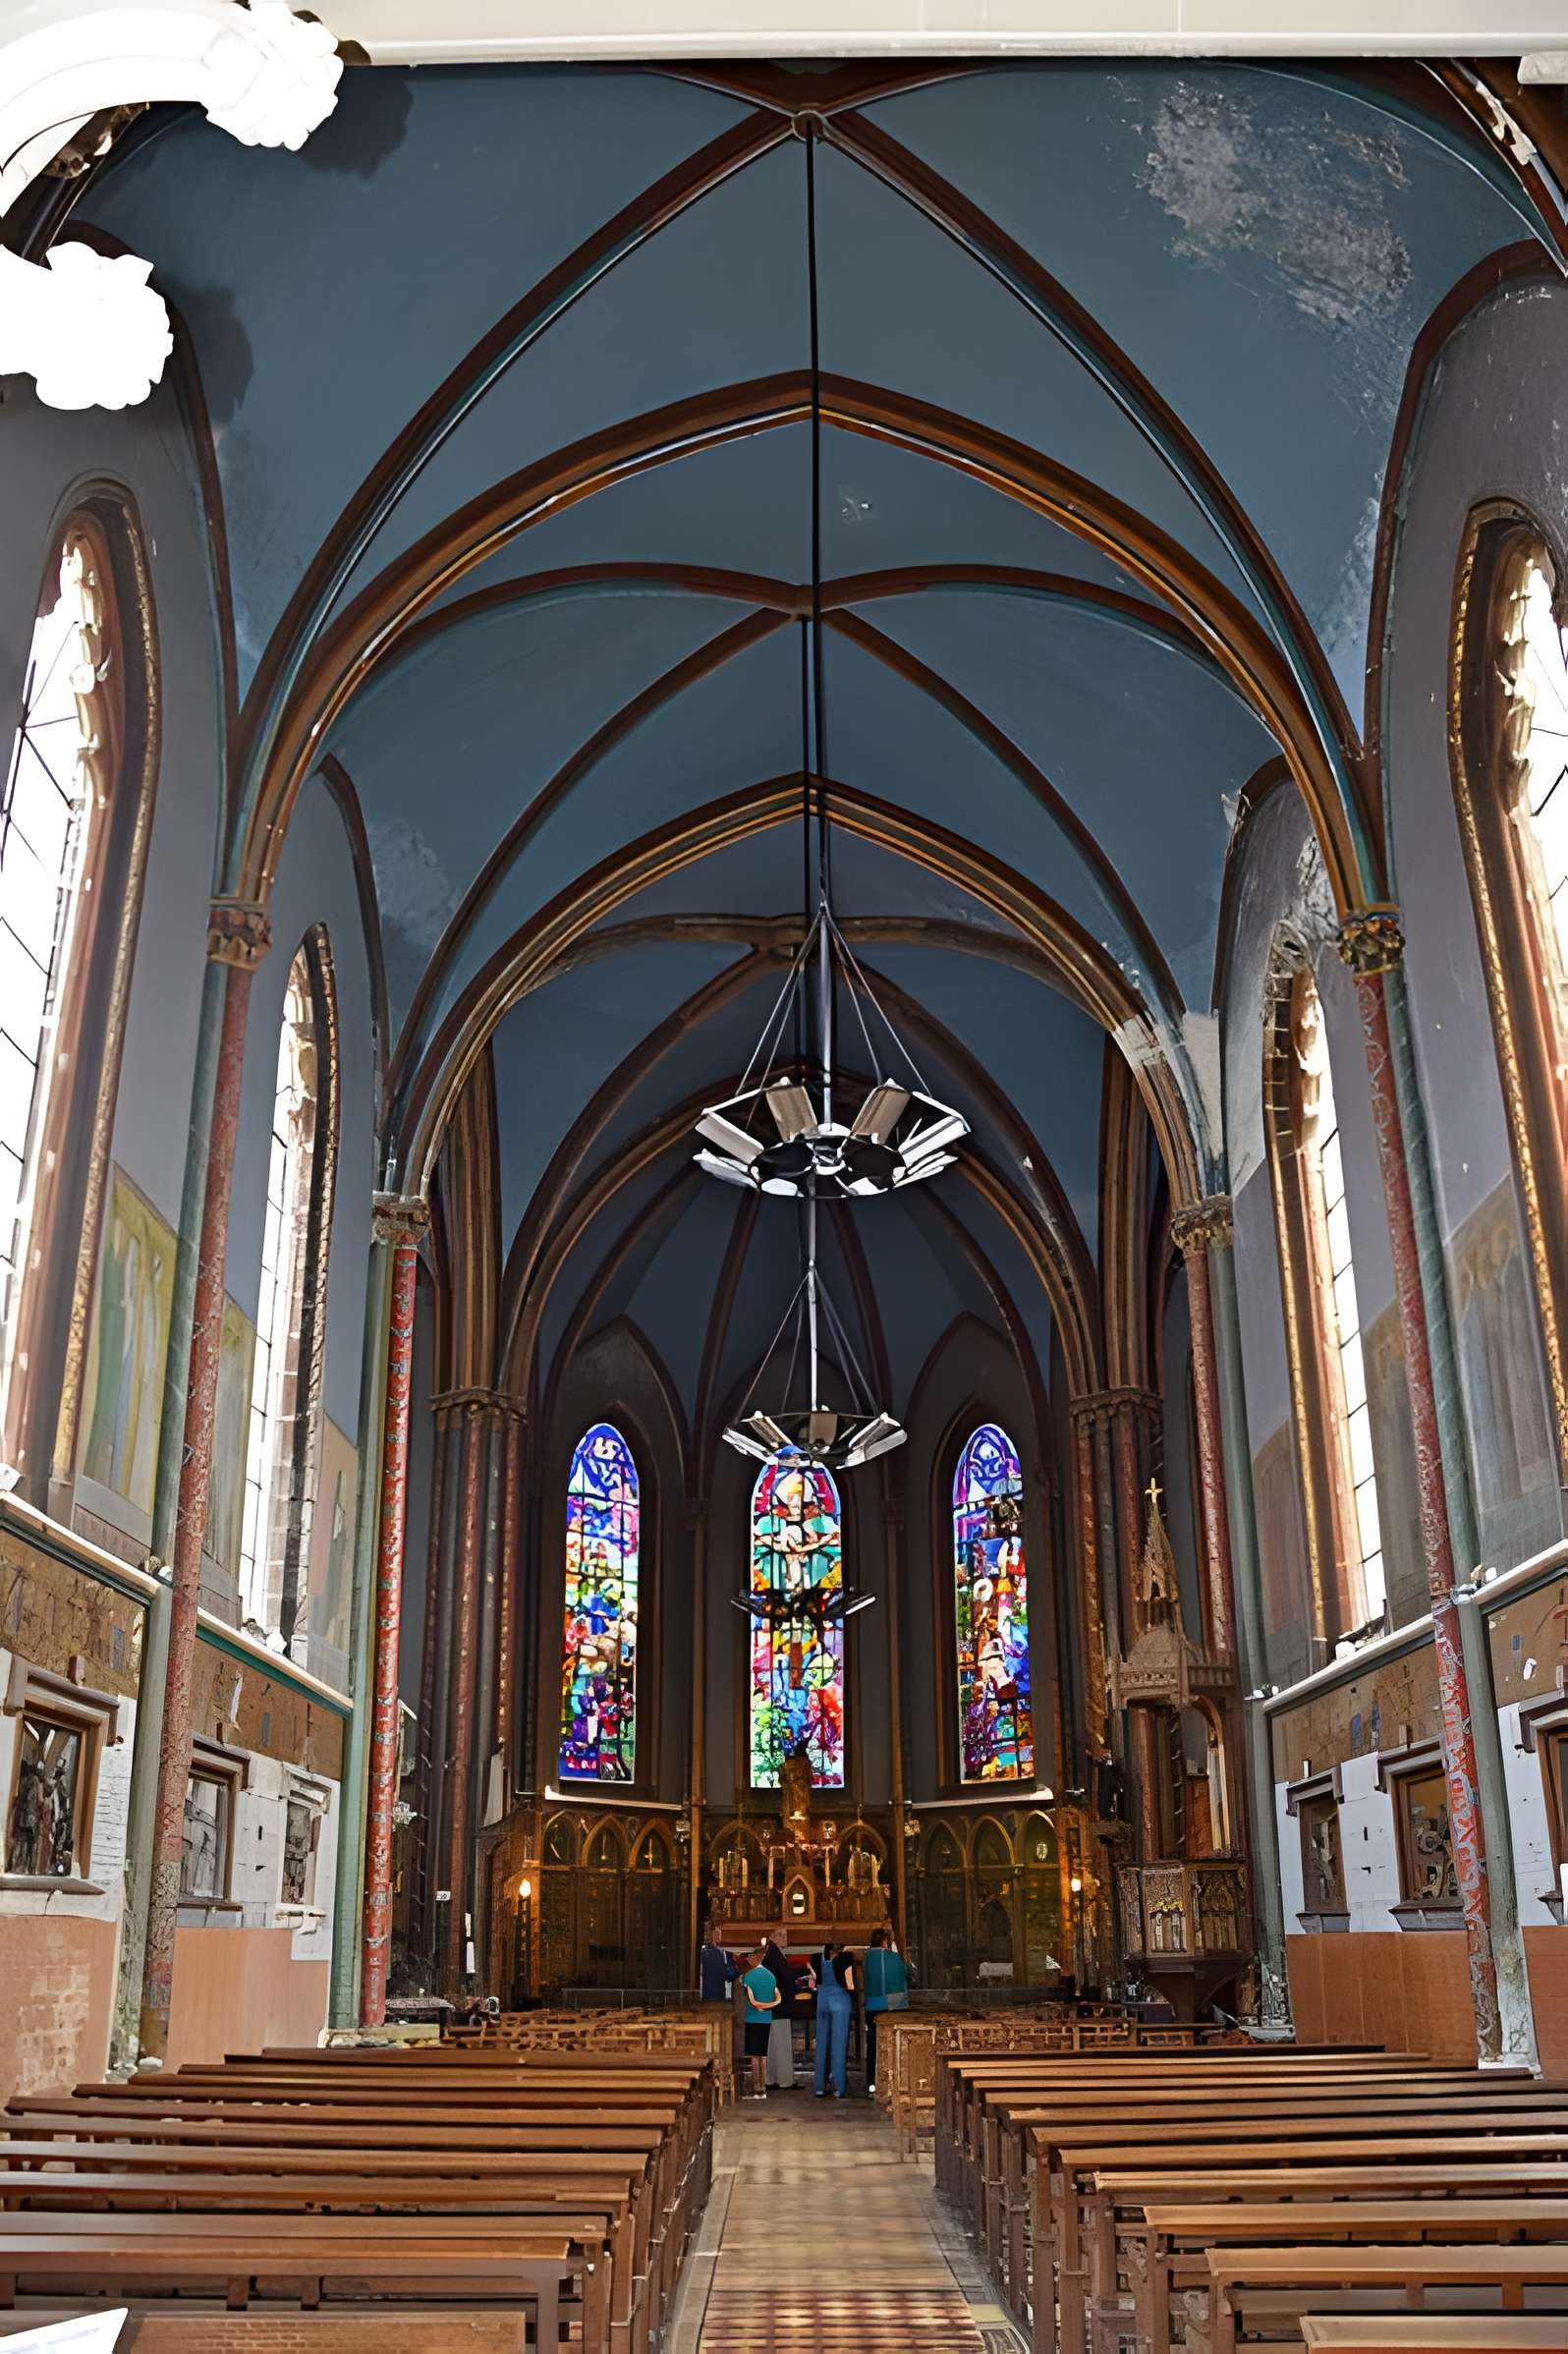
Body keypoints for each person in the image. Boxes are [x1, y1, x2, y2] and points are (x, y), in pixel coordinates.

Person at [861, 1926, 909, 2098]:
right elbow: (904, 1973)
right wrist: (894, 1954)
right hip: (889, 2006)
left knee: (872, 2046)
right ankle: (890, 2084)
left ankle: (872, 2085)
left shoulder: (867, 1956)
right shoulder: (890, 1957)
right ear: (885, 1941)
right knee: (891, 2045)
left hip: (871, 2006)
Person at [812, 1939, 856, 2100]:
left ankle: (819, 2087)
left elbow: (814, 1981)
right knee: (838, 2044)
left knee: (821, 2045)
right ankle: (839, 2087)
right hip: (839, 2000)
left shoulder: (817, 1959)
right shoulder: (844, 1959)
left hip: (822, 2000)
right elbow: (850, 1983)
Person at [739, 1942, 781, 2100]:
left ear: (756, 1957)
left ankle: (757, 2088)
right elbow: (773, 1997)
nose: (748, 1960)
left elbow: (745, 1999)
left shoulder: (748, 1977)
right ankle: (763, 2088)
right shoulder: (771, 1976)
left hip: (752, 2017)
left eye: (749, 1957)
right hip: (766, 2018)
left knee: (754, 2055)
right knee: (763, 2054)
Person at [760, 1933, 799, 2090]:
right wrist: (795, 1986)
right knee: (781, 2043)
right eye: (783, 1935)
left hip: (771, 2005)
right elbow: (786, 1979)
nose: (786, 1938)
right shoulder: (774, 1953)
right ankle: (785, 2080)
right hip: (779, 2005)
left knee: (772, 2044)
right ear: (774, 1937)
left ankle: (771, 2079)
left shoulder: (769, 1953)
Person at [698, 1926, 737, 2003]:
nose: (719, 1936)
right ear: (713, 1936)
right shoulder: (722, 1953)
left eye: (719, 1934)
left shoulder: (703, 1952)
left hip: (708, 1993)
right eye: (717, 1933)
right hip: (718, 1993)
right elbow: (729, 1974)